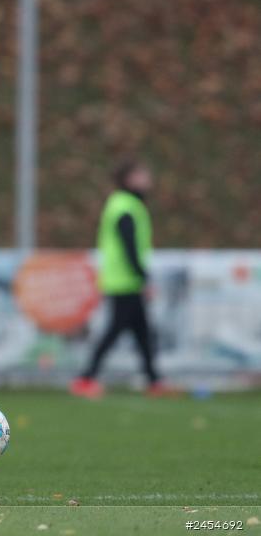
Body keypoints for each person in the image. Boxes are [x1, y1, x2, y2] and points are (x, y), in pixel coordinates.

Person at [70, 160, 169, 398]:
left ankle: (154, 381)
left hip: (124, 280)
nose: (148, 179)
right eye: (142, 175)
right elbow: (129, 245)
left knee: (142, 332)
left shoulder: (124, 204)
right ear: (130, 179)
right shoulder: (125, 206)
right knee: (116, 330)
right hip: (124, 281)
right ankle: (85, 378)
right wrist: (142, 277)